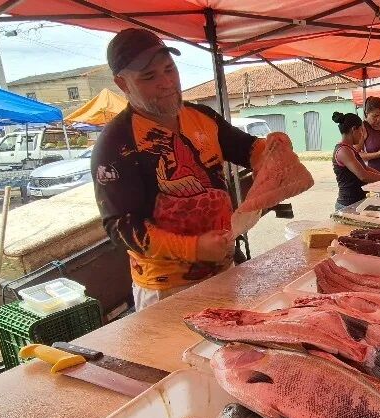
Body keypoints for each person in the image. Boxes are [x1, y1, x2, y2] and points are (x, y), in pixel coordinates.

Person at [91, 29, 282, 311]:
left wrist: (273, 148)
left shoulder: (201, 116)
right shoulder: (116, 143)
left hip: (224, 269)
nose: (167, 82)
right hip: (167, 288)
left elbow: (248, 148)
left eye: (170, 69)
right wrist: (193, 248)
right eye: (149, 77)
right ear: (123, 84)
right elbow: (121, 228)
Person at [332, 111, 380, 210]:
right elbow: (363, 176)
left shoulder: (350, 149)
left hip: (357, 201)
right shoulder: (343, 150)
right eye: (361, 131)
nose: (362, 135)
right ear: (354, 130)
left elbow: (366, 168)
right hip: (347, 204)